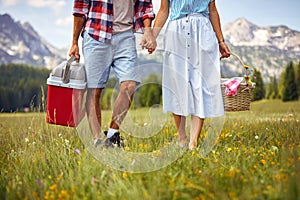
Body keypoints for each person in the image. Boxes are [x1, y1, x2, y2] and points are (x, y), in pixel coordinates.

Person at [69, 0, 156, 147]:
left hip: (126, 36)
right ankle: (97, 140)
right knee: (94, 90)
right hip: (96, 35)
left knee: (129, 85)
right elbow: (80, 9)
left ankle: (112, 136)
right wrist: (74, 42)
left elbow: (145, 6)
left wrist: (148, 31)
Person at [152, 0, 230, 150]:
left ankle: (193, 142)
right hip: (176, 30)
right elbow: (163, 10)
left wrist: (221, 41)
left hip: (202, 30)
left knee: (201, 85)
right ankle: (182, 138)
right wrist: (152, 36)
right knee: (176, 85)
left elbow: (212, 10)